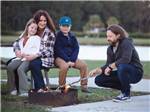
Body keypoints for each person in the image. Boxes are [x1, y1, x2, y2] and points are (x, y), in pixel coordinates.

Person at [89, 24, 143, 102]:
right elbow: (108, 64)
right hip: (122, 72)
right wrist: (98, 70)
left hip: (135, 73)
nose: (108, 39)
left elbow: (126, 59)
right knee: (99, 80)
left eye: (110, 36)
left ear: (118, 35)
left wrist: (111, 67)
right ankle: (126, 88)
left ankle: (126, 95)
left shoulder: (126, 43)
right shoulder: (110, 49)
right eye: (107, 36)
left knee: (121, 66)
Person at [54, 16, 90, 93]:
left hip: (71, 58)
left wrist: (72, 60)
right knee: (64, 66)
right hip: (60, 58)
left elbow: (76, 48)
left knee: (83, 65)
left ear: (70, 26)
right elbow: (58, 50)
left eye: (67, 26)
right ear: (60, 26)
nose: (65, 28)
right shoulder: (57, 36)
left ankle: (84, 86)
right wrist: (67, 60)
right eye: (63, 26)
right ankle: (62, 86)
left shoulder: (72, 36)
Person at [7, 18, 41, 96]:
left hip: (29, 58)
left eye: (35, 29)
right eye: (32, 27)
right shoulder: (22, 36)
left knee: (20, 69)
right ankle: (13, 89)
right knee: (10, 66)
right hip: (21, 57)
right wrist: (17, 51)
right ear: (27, 27)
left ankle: (24, 91)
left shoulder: (37, 38)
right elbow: (16, 44)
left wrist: (30, 55)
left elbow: (38, 50)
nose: (33, 30)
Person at [25, 10, 56, 92]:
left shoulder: (50, 33)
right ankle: (19, 88)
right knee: (18, 65)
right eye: (40, 20)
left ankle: (40, 88)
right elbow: (21, 39)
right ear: (37, 21)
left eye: (45, 21)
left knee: (34, 64)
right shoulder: (33, 29)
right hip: (32, 56)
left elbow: (49, 51)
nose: (43, 23)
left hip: (46, 58)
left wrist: (35, 55)